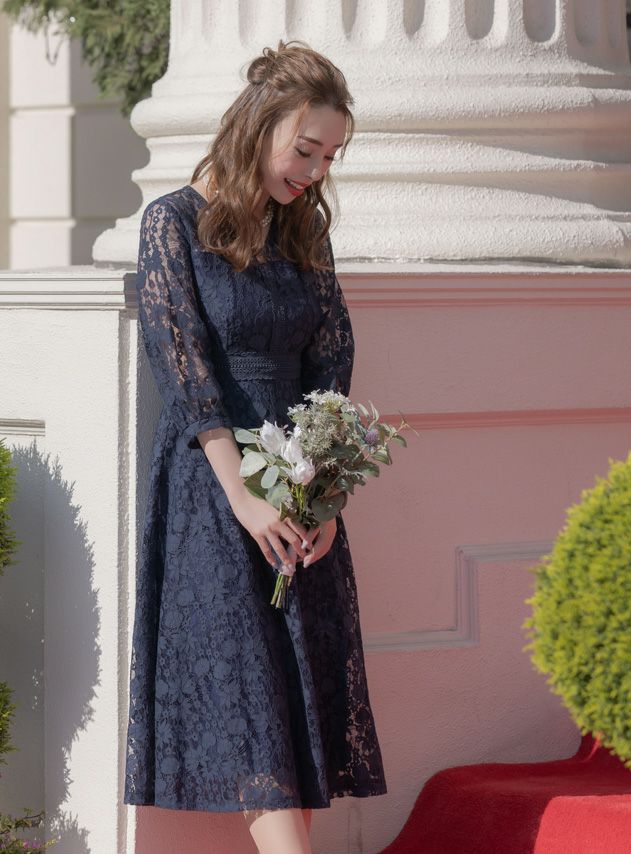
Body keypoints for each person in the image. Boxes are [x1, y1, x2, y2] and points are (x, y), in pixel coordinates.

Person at [123, 40, 387, 854]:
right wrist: (243, 497)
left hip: (299, 489)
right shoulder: (173, 223)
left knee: (294, 711)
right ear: (258, 125)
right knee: (252, 714)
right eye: (305, 149)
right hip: (214, 491)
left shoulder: (306, 234)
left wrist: (324, 500)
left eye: (329, 156)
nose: (315, 171)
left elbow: (330, 368)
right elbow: (185, 373)